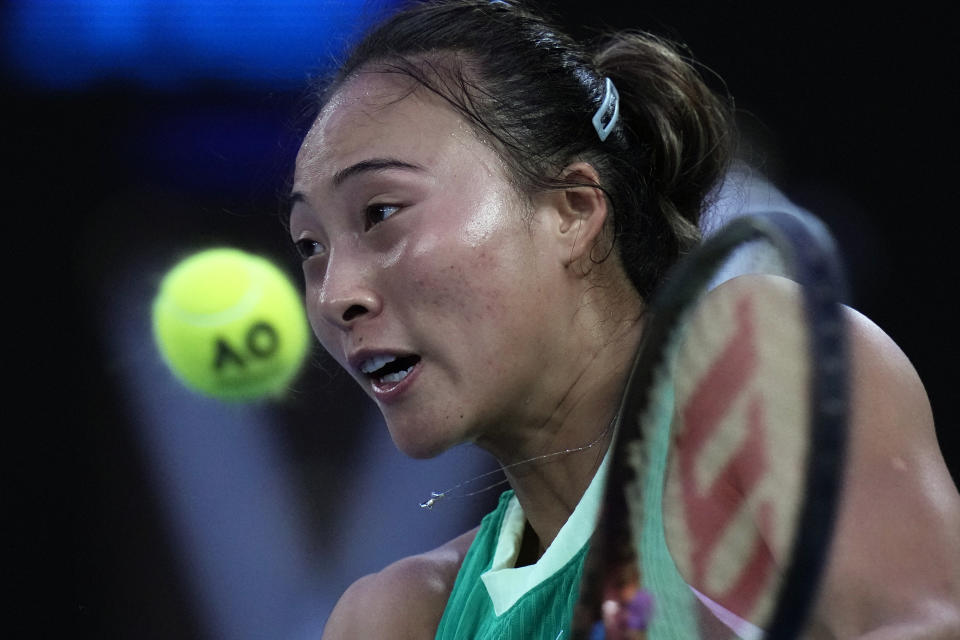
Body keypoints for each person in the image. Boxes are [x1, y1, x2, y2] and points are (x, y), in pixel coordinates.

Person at [285, 1, 960, 638]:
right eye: (311, 247)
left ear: (573, 207)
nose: (335, 293)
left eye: (381, 212)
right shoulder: (402, 618)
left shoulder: (757, 363)